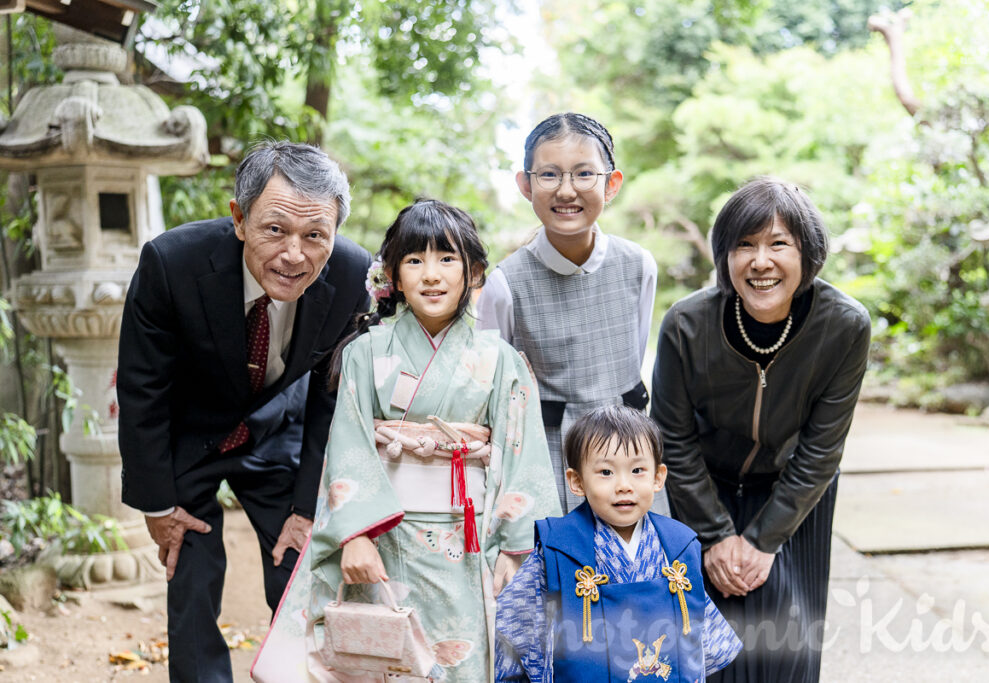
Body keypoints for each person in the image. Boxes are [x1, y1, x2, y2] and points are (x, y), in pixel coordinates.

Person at [251, 199, 561, 682]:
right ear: (392, 275)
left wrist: (517, 548)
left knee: (465, 663)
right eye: (415, 260)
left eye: (447, 258)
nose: (431, 274)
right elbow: (348, 449)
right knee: (384, 663)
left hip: (470, 541)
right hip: (384, 538)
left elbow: (525, 456)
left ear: (474, 272)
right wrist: (354, 535)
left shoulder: (500, 359)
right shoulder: (365, 352)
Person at [117, 141, 372, 683]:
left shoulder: (353, 274)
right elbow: (143, 387)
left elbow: (332, 398)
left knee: (298, 566)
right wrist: (156, 503)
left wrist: (308, 507)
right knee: (190, 571)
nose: (294, 255)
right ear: (239, 218)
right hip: (190, 431)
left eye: (315, 235)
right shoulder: (171, 263)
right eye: (275, 229)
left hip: (279, 427)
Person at [650, 177, 871, 682]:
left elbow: (822, 449)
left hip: (792, 492)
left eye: (778, 244)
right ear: (725, 256)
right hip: (703, 490)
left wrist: (763, 542)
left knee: (787, 648)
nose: (760, 261)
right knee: (705, 649)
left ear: (807, 253)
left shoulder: (844, 325)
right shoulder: (686, 324)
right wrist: (715, 537)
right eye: (744, 245)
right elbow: (673, 440)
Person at [477, 112, 667, 515]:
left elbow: (631, 358)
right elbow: (490, 391)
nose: (566, 190)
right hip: (547, 460)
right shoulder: (506, 284)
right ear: (525, 185)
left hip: (630, 456)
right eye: (549, 175)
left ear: (611, 184)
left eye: (583, 174)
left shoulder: (638, 266)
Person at [494, 405, 742, 682]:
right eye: (606, 472)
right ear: (577, 481)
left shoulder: (679, 545)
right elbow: (513, 630)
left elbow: (701, 645)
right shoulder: (558, 547)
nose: (624, 485)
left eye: (637, 470)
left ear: (658, 477)